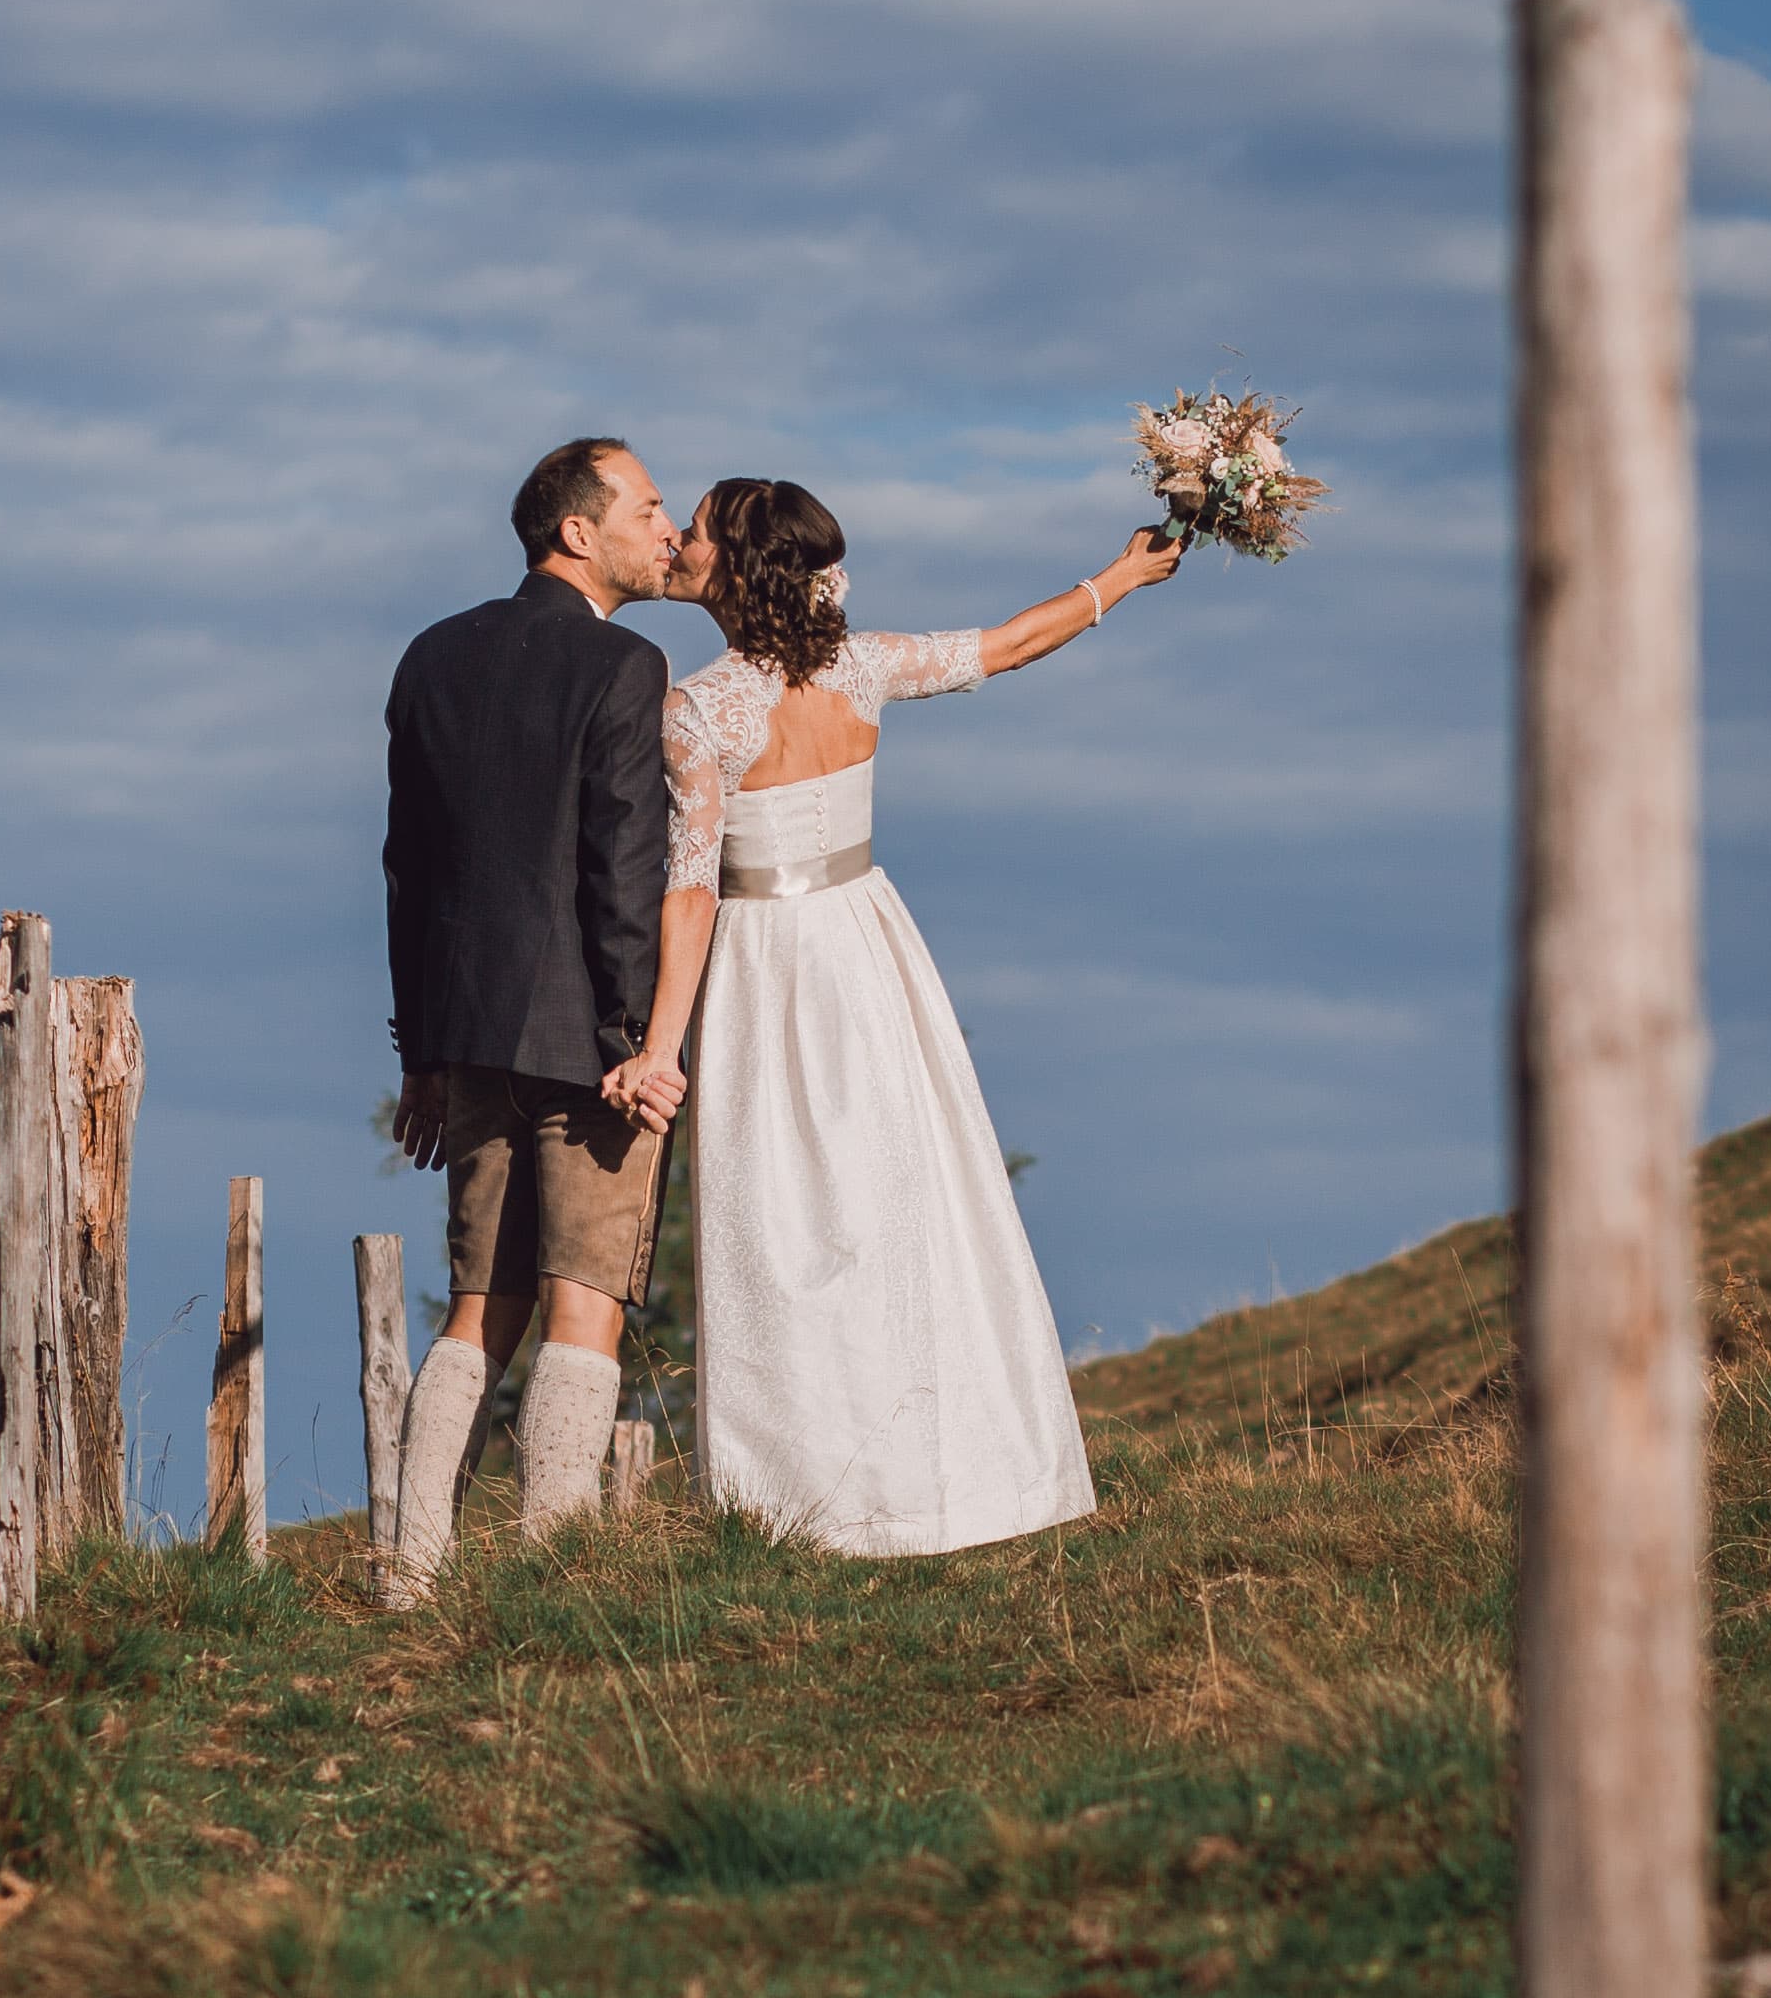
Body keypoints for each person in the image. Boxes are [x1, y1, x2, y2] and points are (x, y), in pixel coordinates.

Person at [606, 479, 1180, 1554]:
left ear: (736, 566)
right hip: (869, 951)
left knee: (781, 1224)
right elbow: (1007, 645)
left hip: (767, 969)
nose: (678, 540)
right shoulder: (861, 667)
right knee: (900, 1207)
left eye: (699, 530)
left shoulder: (697, 710)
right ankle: (940, 1474)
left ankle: (802, 1500)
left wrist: (658, 1049)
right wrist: (1122, 575)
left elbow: (688, 889)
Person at [379, 436, 684, 1600]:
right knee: (584, 1299)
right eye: (648, 508)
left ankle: (410, 1575)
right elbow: (623, 874)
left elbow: (407, 871)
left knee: (476, 1308)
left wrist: (425, 1056)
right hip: (588, 1046)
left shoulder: (430, 658)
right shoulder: (623, 666)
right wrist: (637, 1044)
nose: (665, 530)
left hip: (464, 1034)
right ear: (577, 530)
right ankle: (552, 1579)